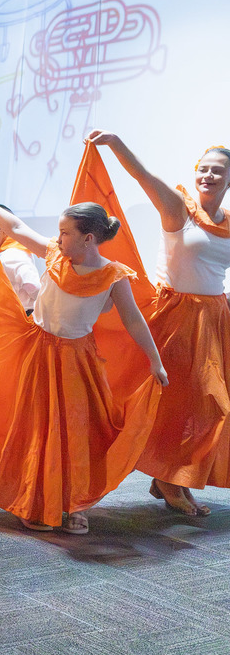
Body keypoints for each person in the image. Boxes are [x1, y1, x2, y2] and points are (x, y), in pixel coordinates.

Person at [0, 198, 167, 534]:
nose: (58, 239)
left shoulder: (113, 276)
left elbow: (134, 320)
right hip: (39, 353)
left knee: (76, 435)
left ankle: (75, 503)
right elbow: (15, 227)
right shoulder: (54, 255)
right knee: (37, 429)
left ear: (89, 238)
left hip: (76, 360)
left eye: (65, 233)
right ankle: (32, 499)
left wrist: (155, 361)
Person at [88, 132, 230, 516]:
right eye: (203, 169)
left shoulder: (229, 224)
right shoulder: (178, 209)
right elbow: (143, 176)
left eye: (218, 172)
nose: (208, 176)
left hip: (214, 318)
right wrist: (117, 143)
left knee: (203, 406)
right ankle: (169, 479)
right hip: (176, 317)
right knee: (188, 402)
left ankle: (171, 478)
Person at [0, 205, 40, 313]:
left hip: (20, 318)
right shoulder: (17, 250)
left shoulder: (12, 256)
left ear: (4, 231)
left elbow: (34, 286)